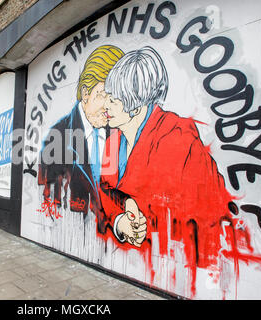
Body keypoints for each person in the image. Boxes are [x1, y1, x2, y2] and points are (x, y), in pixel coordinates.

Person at [99, 46, 233, 269]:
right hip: (130, 262)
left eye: (114, 99)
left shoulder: (178, 136)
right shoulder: (114, 140)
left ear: (136, 101)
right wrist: (121, 220)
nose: (106, 106)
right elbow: (106, 189)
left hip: (176, 265)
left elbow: (206, 214)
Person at [38, 44, 125, 215]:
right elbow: (49, 195)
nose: (110, 105)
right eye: (104, 95)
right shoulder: (57, 137)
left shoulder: (121, 133)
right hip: (73, 228)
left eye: (115, 97)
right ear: (85, 93)